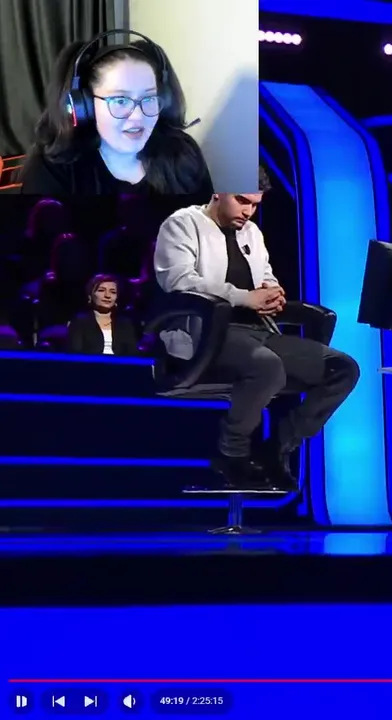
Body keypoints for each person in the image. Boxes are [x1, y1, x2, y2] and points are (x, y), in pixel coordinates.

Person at [152, 167, 360, 491]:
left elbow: (265, 276)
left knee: (343, 368)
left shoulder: (252, 233)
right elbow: (178, 281)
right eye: (242, 201)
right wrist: (243, 297)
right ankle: (231, 453)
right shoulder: (182, 224)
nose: (248, 211)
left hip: (259, 332)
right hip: (206, 335)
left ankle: (276, 447)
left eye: (254, 204)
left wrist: (272, 292)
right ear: (218, 191)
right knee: (266, 366)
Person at [18, 31, 213, 196]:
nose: (138, 117)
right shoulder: (51, 170)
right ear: (84, 106)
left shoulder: (183, 153)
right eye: (120, 100)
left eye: (149, 98)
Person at [67, 274, 139, 355]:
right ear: (90, 295)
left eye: (113, 292)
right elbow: (75, 353)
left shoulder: (125, 323)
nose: (107, 295)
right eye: (101, 290)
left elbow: (133, 354)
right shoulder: (80, 321)